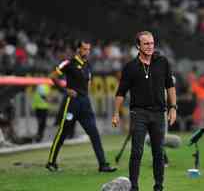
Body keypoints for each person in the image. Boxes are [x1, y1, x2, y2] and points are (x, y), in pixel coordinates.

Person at [112, 31, 177, 191]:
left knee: (158, 153)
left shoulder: (162, 62)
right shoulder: (130, 67)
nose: (150, 46)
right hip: (138, 113)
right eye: (146, 44)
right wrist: (115, 113)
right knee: (136, 152)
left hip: (158, 113)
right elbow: (120, 92)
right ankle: (133, 187)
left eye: (152, 43)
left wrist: (173, 108)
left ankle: (159, 187)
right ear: (138, 46)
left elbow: (170, 86)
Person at [46, 40, 117, 173]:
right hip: (72, 102)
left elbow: (88, 83)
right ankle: (51, 162)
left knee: (94, 134)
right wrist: (65, 90)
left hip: (85, 103)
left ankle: (103, 165)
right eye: (84, 49)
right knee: (62, 133)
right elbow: (52, 76)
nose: (87, 51)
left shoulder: (88, 65)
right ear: (78, 49)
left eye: (88, 49)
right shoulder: (69, 63)